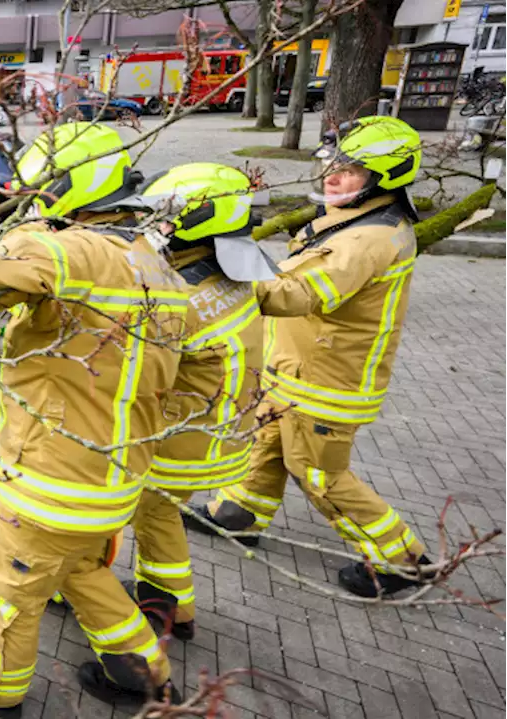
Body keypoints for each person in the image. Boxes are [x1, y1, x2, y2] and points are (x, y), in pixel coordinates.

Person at [0, 122, 184, 715]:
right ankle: (142, 675)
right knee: (86, 576)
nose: (35, 205)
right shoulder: (158, 268)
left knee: (11, 594)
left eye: (41, 192)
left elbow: (8, 264)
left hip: (51, 482)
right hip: (111, 481)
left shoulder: (79, 249)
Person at [184, 116, 431, 598]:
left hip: (327, 383)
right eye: (332, 164)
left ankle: (400, 560)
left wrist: (219, 273)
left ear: (384, 178)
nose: (333, 175)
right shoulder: (365, 218)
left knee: (320, 474)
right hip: (297, 372)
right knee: (268, 441)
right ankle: (238, 513)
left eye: (351, 170)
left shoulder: (367, 240)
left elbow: (296, 292)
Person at [104, 163, 275, 641]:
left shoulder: (180, 300)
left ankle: (160, 612)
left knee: (150, 515)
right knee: (163, 516)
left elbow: (132, 372)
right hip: (220, 429)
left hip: (185, 438)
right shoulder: (229, 275)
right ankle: (176, 608)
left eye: (164, 218)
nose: (155, 227)